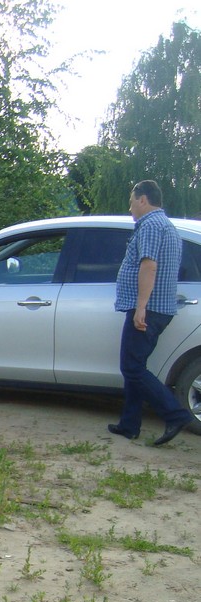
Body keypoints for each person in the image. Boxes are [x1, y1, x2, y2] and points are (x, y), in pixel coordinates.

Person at [108, 180, 191, 445]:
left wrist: (141, 306)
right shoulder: (166, 225)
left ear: (143, 199)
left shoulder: (152, 226)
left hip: (148, 308)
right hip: (158, 307)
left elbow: (149, 266)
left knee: (131, 367)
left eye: (132, 201)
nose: (130, 207)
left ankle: (175, 414)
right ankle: (129, 424)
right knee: (136, 366)